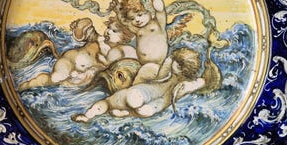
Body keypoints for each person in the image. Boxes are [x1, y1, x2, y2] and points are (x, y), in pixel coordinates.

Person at [72, 47, 203, 121]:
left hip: (147, 98)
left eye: (181, 67)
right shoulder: (159, 72)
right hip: (144, 95)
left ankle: (92, 115)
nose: (179, 68)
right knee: (131, 100)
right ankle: (124, 112)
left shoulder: (176, 83)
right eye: (178, 64)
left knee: (111, 102)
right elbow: (157, 78)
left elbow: (162, 87)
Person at [117, 0, 168, 83]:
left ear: (149, 11)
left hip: (156, 65)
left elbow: (160, 9)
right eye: (132, 18)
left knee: (137, 82)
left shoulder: (158, 23)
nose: (137, 20)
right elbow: (124, 21)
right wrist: (119, 9)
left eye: (140, 15)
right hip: (142, 65)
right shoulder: (138, 29)